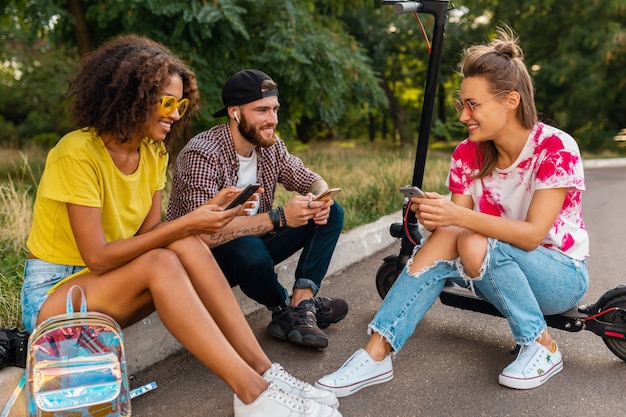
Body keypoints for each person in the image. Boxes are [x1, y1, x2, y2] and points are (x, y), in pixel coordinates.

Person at [20, 35, 341, 417]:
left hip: (108, 286)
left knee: (185, 247)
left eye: (181, 103)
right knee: (169, 255)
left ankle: (265, 372)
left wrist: (202, 219)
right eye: (167, 103)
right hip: (57, 297)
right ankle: (252, 393)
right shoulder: (77, 152)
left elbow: (150, 238)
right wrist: (191, 221)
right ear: (132, 97)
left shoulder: (153, 152)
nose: (175, 113)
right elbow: (98, 256)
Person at [315, 25, 589, 396]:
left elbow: (532, 235)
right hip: (489, 268)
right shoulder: (467, 153)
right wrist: (436, 216)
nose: (463, 115)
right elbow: (453, 232)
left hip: (558, 275)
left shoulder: (555, 147)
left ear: (510, 101)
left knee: (472, 238)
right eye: (462, 104)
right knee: (451, 237)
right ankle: (375, 355)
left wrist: (456, 217)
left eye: (473, 104)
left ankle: (542, 346)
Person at [167, 69, 348, 349]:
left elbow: (309, 179)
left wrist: (320, 198)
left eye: (274, 109)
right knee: (249, 250)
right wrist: (280, 218)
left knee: (332, 212)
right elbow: (200, 234)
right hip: (204, 260)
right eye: (262, 110)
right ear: (235, 112)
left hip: (254, 244)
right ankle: (282, 310)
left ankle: (302, 304)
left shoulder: (270, 146)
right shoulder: (202, 153)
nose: (272, 120)